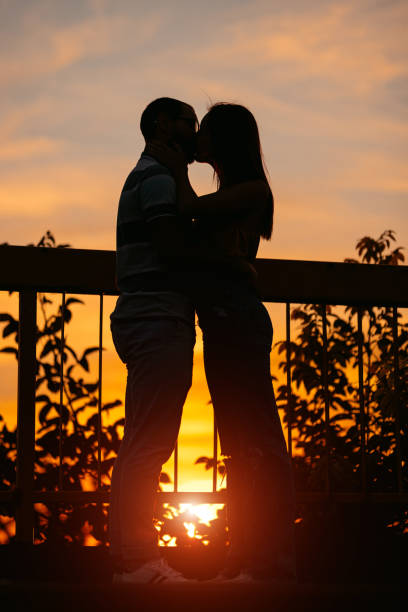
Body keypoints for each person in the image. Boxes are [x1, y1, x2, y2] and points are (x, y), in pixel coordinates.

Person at [147, 102, 297, 584]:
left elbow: (190, 212)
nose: (197, 140)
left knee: (256, 441)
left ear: (225, 140)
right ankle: (248, 556)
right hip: (223, 322)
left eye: (205, 132)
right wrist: (234, 265)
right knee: (240, 442)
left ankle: (267, 557)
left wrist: (174, 170)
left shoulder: (250, 190)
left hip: (236, 321)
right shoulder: (233, 191)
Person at [109, 97, 252, 585]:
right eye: (189, 123)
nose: (195, 134)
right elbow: (170, 247)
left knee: (142, 443)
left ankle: (133, 558)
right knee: (148, 444)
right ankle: (137, 561)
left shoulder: (150, 175)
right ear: (163, 126)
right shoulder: (157, 178)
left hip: (148, 316)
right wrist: (228, 264)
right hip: (156, 317)